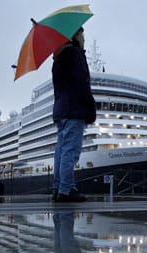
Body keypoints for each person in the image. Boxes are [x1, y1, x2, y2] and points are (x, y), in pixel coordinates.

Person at [51, 27, 96, 202]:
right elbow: (82, 84)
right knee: (70, 151)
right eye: (82, 34)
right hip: (74, 109)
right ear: (75, 35)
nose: (84, 38)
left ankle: (57, 188)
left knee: (61, 152)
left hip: (61, 110)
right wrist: (90, 108)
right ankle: (67, 189)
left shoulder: (58, 58)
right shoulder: (76, 54)